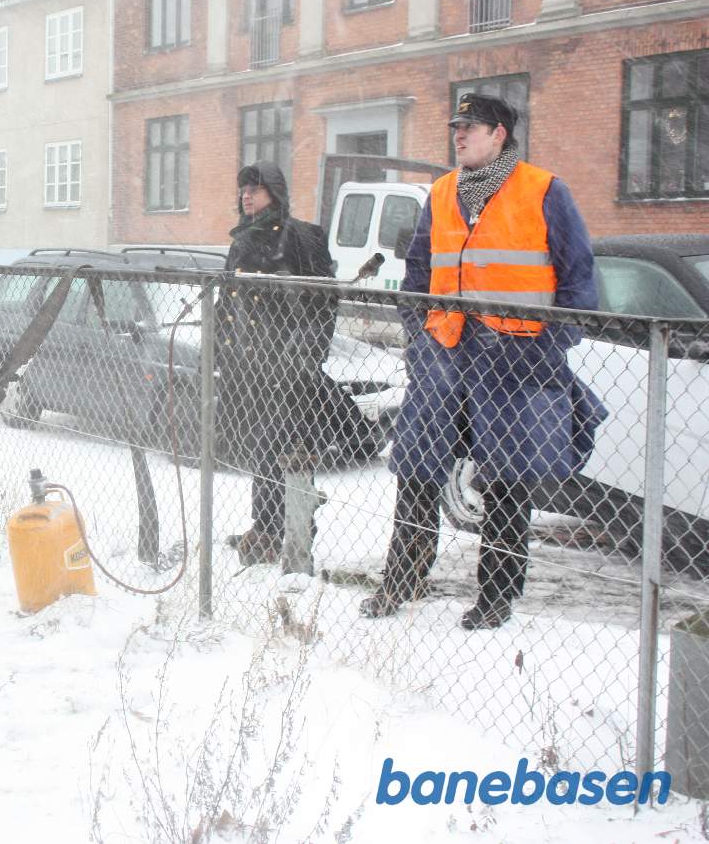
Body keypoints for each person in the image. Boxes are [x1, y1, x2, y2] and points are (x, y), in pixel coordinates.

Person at [359, 93, 602, 630]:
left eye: (469, 126)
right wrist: (417, 334)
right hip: (443, 355)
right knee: (417, 471)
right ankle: (401, 579)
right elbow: (418, 271)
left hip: (513, 359)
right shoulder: (443, 192)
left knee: (507, 479)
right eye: (456, 126)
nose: (459, 134)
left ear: (499, 134)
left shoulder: (544, 190)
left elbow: (579, 279)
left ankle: (496, 595)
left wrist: (546, 344)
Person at [218, 161, 336, 566]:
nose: (246, 195)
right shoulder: (242, 239)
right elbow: (228, 303)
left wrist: (303, 357)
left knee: (284, 447)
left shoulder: (302, 237)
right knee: (261, 449)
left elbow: (323, 304)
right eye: (243, 188)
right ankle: (265, 526)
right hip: (249, 366)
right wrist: (221, 351)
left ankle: (287, 532)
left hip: (289, 369)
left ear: (275, 193)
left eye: (256, 188)